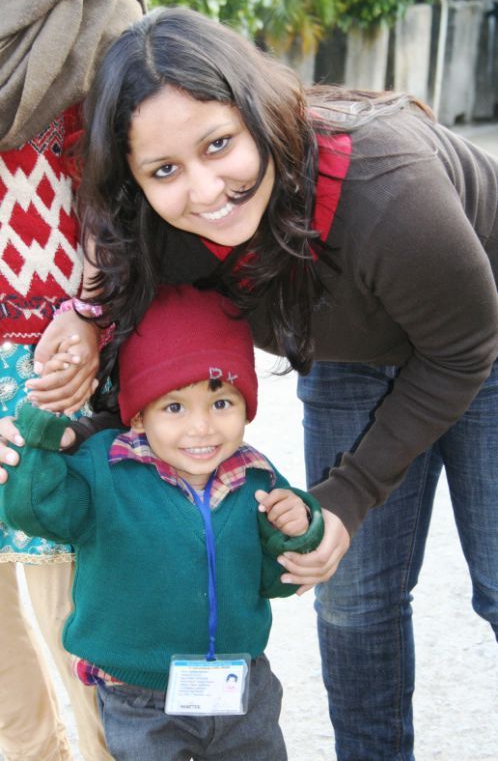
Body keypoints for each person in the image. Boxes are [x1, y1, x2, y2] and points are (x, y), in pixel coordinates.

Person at [3, 5, 497, 760]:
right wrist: (82, 400)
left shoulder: (389, 187)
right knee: (352, 596)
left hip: (478, 333)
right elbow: (154, 367)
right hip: (351, 346)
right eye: (164, 170)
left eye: (218, 144)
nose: (205, 191)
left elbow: (462, 352)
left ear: (257, 110)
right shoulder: (162, 235)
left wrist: (352, 492)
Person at [0, 284, 324, 761]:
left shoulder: (257, 475)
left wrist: (295, 530)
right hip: (140, 702)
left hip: (241, 692)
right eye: (174, 407)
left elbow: (275, 580)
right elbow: (34, 510)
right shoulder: (105, 471)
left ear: (247, 407)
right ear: (137, 416)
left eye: (222, 403)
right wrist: (41, 435)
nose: (202, 427)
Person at [0, 0, 146, 759]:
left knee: (80, 620)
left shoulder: (104, 18)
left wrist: (89, 313)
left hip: (66, 357)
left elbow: (121, 194)